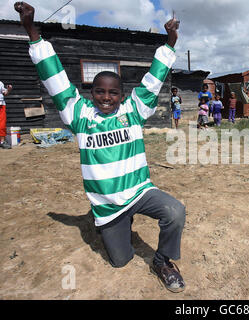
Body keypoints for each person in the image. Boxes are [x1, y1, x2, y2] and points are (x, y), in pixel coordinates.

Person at [15, 1, 186, 293]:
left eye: (113, 92)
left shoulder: (133, 111)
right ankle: (113, 222)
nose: (106, 97)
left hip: (139, 191)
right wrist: (32, 30)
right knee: (121, 261)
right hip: (107, 204)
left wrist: (170, 42)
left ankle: (163, 261)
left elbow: (154, 78)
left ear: (122, 95)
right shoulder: (79, 116)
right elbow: (54, 79)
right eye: (99, 91)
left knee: (175, 211)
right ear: (90, 93)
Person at [0, 81, 13, 149]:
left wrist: (8, 89)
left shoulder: (0, 83)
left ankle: (2, 142)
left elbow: (5, 93)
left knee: (2, 124)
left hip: (1, 105)